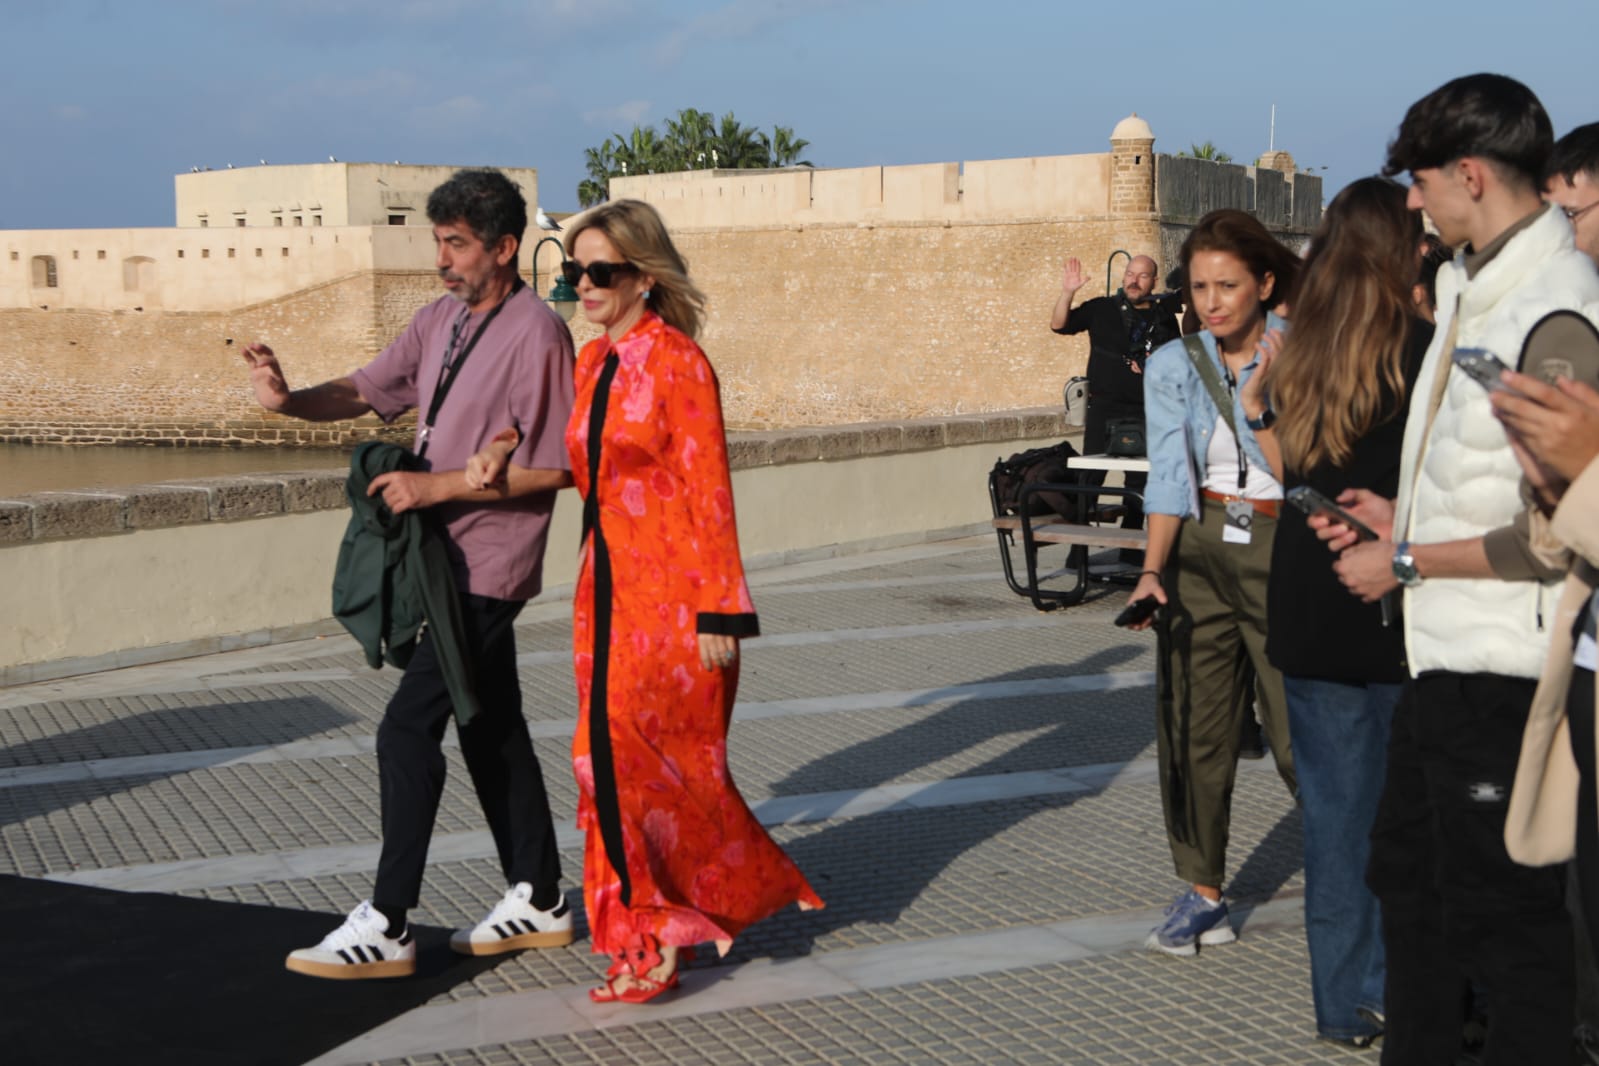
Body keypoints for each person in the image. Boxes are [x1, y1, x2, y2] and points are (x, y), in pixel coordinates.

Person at [470, 198, 823, 1005]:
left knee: (652, 772)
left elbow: (708, 487)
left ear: (644, 276)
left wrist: (720, 608)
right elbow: (566, 450)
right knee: (603, 763)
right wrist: (499, 446)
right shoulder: (593, 361)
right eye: (575, 271)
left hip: (675, 605)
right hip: (604, 596)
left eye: (602, 271)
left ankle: (659, 933)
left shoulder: (678, 362)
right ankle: (647, 925)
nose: (584, 284)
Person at [1323, 74, 1599, 1064]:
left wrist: (1402, 558)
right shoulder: (1471, 289)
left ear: (1470, 175)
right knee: (1410, 885)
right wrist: (1399, 516)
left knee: (1507, 920)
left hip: (1507, 669)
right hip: (1444, 658)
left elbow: (1559, 534)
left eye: (1421, 179)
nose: (1412, 201)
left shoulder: (1556, 309)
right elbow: (1486, 482)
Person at [241, 169, 578, 979]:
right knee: (490, 724)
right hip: (436, 558)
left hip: (488, 563)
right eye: (438, 243)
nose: (441, 260)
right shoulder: (439, 321)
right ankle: (539, 895)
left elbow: (559, 464)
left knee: (405, 729)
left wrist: (439, 486)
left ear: (504, 247)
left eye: (456, 244)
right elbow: (365, 389)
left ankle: (389, 921)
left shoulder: (537, 334)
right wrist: (288, 401)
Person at [1256, 177, 1434, 1047]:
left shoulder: (1297, 356)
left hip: (1308, 599)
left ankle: (1339, 1007)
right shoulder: (1425, 349)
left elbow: (1286, 470)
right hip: (1396, 602)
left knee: (1332, 824)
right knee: (1408, 822)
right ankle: (1395, 990)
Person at [1121, 209, 1298, 956]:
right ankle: (1201, 891)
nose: (1212, 302)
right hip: (1198, 545)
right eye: (1199, 288)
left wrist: (1261, 403)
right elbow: (1169, 473)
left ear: (1265, 283)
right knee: (1195, 725)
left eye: (1228, 285)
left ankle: (1363, 881)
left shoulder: (1305, 352)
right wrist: (1151, 571)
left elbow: (1305, 473)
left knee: (1299, 733)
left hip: (1284, 547)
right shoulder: (1174, 365)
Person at [1050, 254, 1182, 539]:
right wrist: (1067, 292)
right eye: (1130, 274)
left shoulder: (1164, 318)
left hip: (1145, 409)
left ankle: (1130, 547)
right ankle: (1079, 550)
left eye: (1142, 276)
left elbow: (1177, 364)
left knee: (1139, 482)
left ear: (1154, 281)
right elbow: (1059, 325)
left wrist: (1153, 366)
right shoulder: (1101, 308)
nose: (1134, 281)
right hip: (1103, 407)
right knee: (1090, 478)